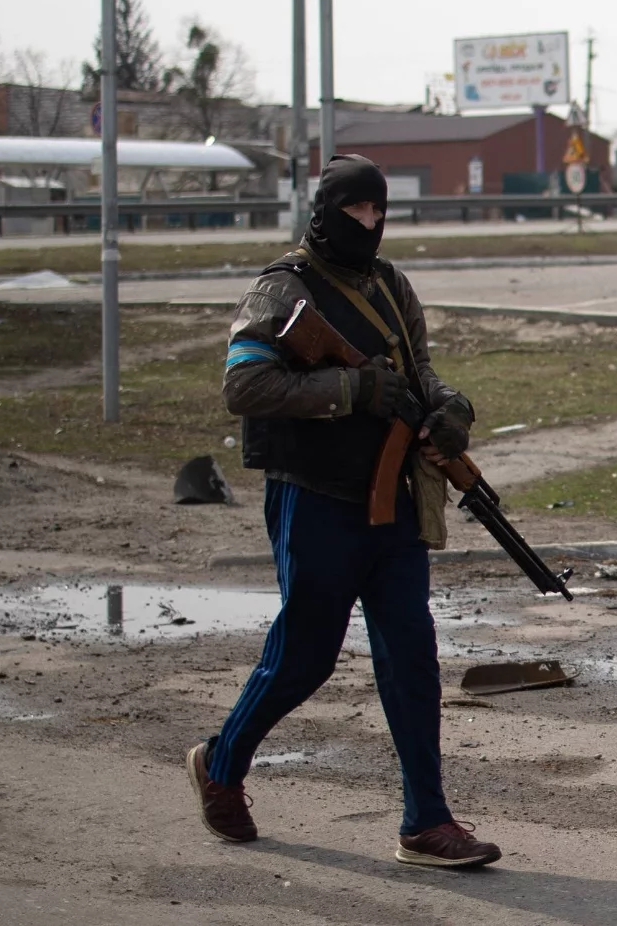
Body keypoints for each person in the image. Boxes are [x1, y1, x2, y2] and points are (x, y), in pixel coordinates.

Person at [185, 154, 499, 869]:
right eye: (355, 211)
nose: (370, 224)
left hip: (390, 501)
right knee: (304, 658)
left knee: (412, 656)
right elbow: (244, 386)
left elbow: (421, 374)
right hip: (316, 496)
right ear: (324, 212)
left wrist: (452, 410)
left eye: (378, 212)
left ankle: (426, 821)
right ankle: (221, 763)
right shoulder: (281, 289)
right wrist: (348, 392)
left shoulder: (391, 286)